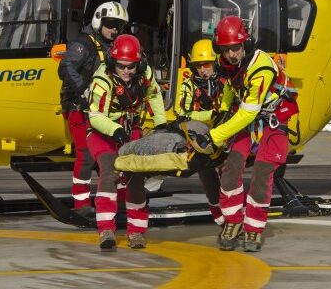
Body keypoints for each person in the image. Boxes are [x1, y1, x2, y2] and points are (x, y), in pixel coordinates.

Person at [190, 16, 298, 252]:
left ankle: (253, 228)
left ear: (245, 44)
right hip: (248, 120)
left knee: (262, 173)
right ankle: (233, 221)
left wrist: (216, 135)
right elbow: (231, 86)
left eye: (235, 48)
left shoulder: (261, 67)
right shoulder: (227, 62)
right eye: (225, 49)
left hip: (273, 120)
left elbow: (249, 113)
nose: (231, 54)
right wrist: (225, 110)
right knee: (230, 169)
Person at [87, 34, 166, 251]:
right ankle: (106, 229)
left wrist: (160, 125)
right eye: (121, 66)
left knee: (135, 177)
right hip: (102, 132)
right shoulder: (102, 80)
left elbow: (154, 96)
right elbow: (95, 116)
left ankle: (136, 232)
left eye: (130, 66)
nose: (125, 71)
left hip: (131, 130)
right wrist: (116, 130)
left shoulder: (145, 74)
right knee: (109, 170)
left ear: (138, 63)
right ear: (113, 62)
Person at [58, 1, 129, 217]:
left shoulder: (114, 46)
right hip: (80, 108)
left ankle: (119, 200)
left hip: (105, 111)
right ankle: (81, 203)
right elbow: (65, 67)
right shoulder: (84, 44)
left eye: (119, 25)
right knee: (87, 155)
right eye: (110, 24)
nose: (114, 29)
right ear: (99, 21)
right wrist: (83, 90)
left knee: (114, 155)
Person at [178, 39, 227, 227]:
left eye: (206, 64)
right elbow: (183, 113)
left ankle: (234, 208)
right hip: (201, 134)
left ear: (214, 62)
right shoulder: (188, 85)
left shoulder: (225, 81)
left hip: (224, 131)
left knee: (229, 171)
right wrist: (210, 114)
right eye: (198, 66)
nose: (202, 70)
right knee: (207, 172)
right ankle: (216, 208)